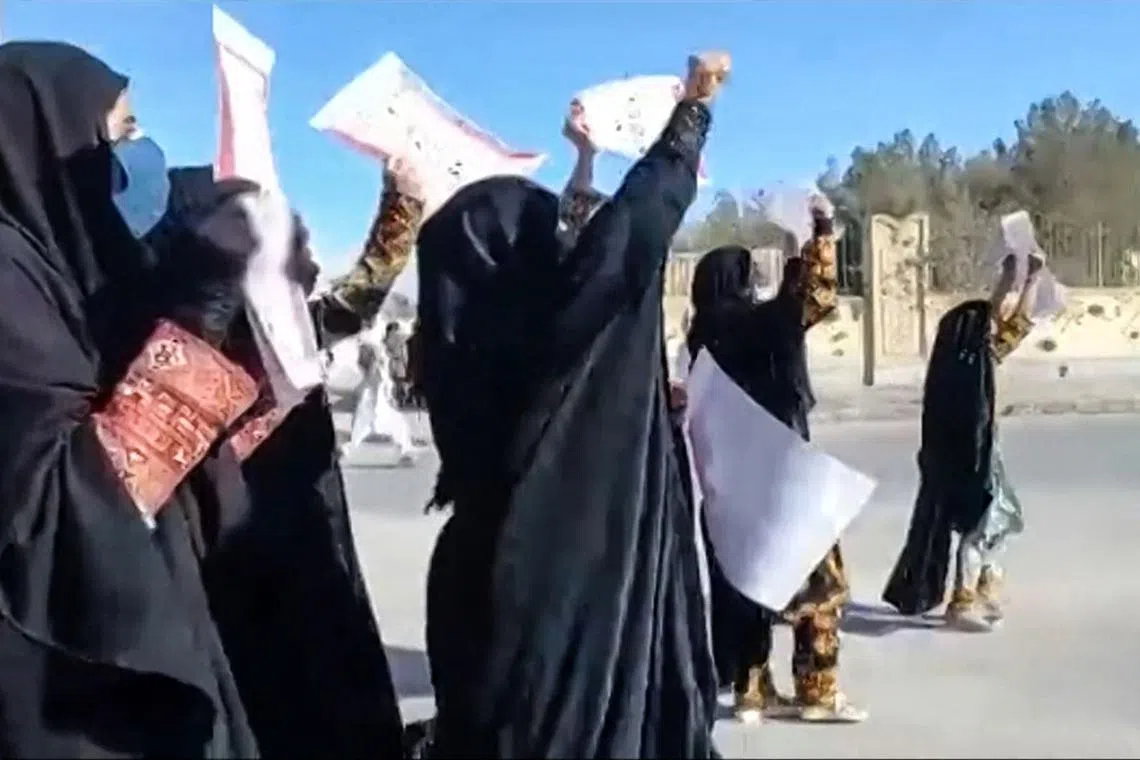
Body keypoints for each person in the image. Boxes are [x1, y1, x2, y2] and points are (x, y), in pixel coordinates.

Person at [416, 51, 730, 758]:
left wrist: (584, 161)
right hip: (569, 592)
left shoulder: (459, 340)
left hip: (478, 587)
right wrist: (695, 111)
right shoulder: (567, 344)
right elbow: (626, 238)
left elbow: (576, 259)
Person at [0, 41, 265, 756]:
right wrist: (200, 312)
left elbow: (175, 463)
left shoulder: (70, 271)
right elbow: (67, 506)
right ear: (46, 136)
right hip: (66, 680)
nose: (136, 152)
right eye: (119, 132)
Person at [147, 161, 426, 756]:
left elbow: (358, 298)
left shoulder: (288, 331)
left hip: (311, 576)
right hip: (231, 594)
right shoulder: (169, 348)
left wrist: (400, 203)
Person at [686, 201, 867, 724]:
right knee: (821, 582)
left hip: (730, 486)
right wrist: (822, 231)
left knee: (749, 581)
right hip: (785, 474)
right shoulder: (766, 324)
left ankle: (751, 688)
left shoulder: (701, 339)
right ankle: (817, 689)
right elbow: (816, 295)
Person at [883, 252, 1042, 632]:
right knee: (980, 523)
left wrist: (1027, 280)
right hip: (967, 457)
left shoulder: (972, 359)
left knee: (1000, 519)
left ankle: (986, 589)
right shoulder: (964, 367)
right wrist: (1015, 279)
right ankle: (963, 600)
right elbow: (999, 323)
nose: (996, 326)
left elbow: (1013, 326)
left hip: (982, 451)